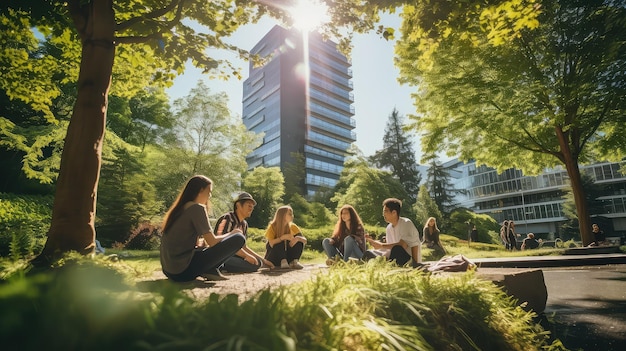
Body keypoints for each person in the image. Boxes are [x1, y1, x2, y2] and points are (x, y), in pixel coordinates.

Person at [160, 175, 245, 282]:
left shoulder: (180, 208)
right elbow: (212, 242)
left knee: (205, 249)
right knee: (238, 238)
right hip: (182, 271)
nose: (210, 196)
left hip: (169, 271)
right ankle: (210, 270)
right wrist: (232, 233)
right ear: (200, 190)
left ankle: (210, 270)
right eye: (209, 191)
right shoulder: (196, 208)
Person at [215, 192, 275, 272]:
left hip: (234, 255)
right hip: (220, 256)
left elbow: (244, 247)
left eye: (252, 206)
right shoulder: (228, 218)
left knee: (257, 263)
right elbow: (219, 244)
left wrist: (263, 260)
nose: (251, 208)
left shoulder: (244, 224)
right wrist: (246, 256)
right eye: (249, 205)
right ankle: (220, 267)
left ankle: (229, 268)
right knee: (253, 265)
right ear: (238, 205)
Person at [364, 198, 422, 266]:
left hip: (409, 259)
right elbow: (389, 248)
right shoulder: (389, 228)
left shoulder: (406, 223)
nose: (383, 214)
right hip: (394, 257)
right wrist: (376, 244)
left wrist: (381, 245)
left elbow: (402, 245)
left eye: (385, 211)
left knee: (397, 249)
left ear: (394, 212)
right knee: (369, 253)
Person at [264, 205, 307, 269]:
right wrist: (282, 238)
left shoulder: (293, 226)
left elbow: (305, 240)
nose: (292, 216)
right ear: (283, 215)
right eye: (289, 214)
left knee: (299, 241)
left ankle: (294, 262)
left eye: (292, 214)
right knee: (279, 242)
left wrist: (297, 238)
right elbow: (271, 243)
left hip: (287, 256)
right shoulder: (273, 226)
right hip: (274, 256)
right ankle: (282, 260)